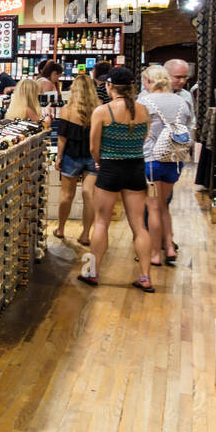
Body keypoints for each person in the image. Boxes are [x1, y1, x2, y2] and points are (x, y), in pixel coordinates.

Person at [83, 67, 154, 292]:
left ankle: (93, 272)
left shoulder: (102, 111)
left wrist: (99, 161)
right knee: (138, 225)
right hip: (135, 168)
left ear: (110, 86)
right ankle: (145, 276)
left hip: (110, 167)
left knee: (101, 221)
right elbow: (142, 139)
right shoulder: (143, 110)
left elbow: (94, 146)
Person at [139, 64, 194, 267]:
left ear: (149, 81)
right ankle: (169, 247)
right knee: (164, 205)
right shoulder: (182, 102)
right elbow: (189, 127)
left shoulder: (145, 101)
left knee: (152, 207)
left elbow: (138, 130)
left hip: (152, 158)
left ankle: (154, 253)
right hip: (174, 159)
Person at [53, 74, 99, 246]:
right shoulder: (99, 108)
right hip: (93, 156)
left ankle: (61, 229)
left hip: (71, 155)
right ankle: (86, 234)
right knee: (89, 195)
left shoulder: (67, 109)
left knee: (66, 195)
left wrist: (58, 157)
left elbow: (62, 137)